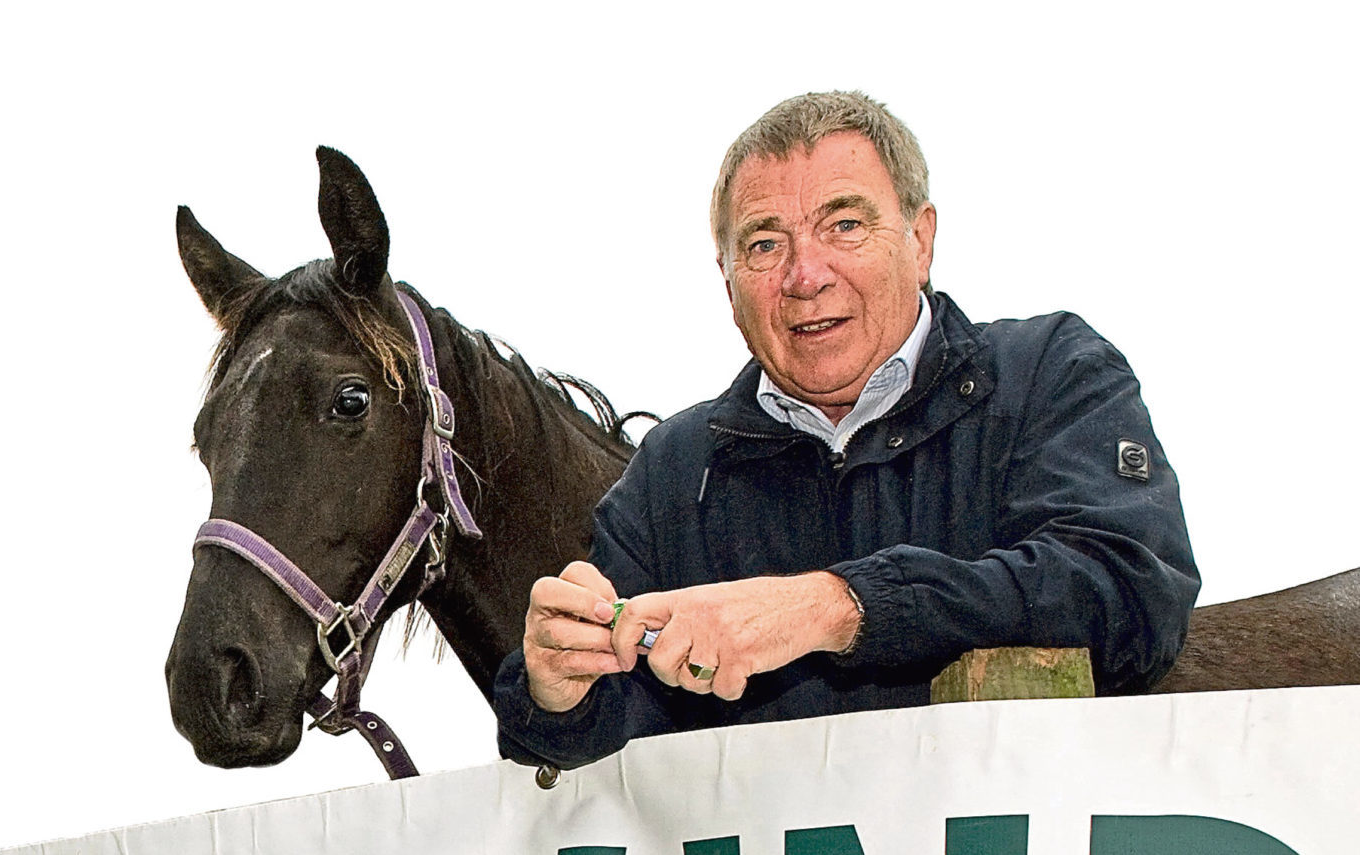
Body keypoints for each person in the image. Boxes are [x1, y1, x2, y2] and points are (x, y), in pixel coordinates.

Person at [492, 91, 1200, 770]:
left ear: (920, 240)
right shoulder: (672, 474)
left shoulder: (1048, 373)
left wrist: (834, 607)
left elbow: (1130, 588)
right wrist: (556, 691)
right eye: (766, 244)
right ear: (728, 279)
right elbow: (607, 742)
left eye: (845, 226)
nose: (806, 275)